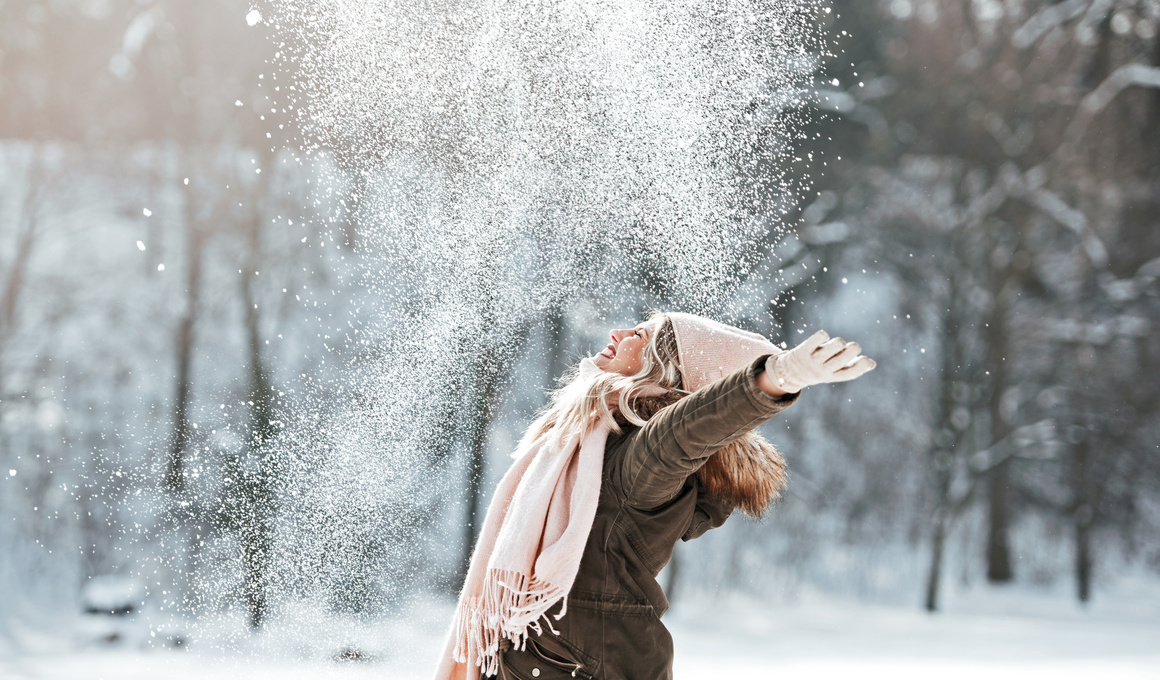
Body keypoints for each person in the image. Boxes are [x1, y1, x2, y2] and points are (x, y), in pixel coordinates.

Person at [435, 312, 875, 680]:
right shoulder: (587, 443)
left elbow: (683, 431)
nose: (617, 334)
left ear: (664, 371)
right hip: (562, 657)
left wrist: (772, 380)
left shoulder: (642, 457)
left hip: (584, 664)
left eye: (640, 335)